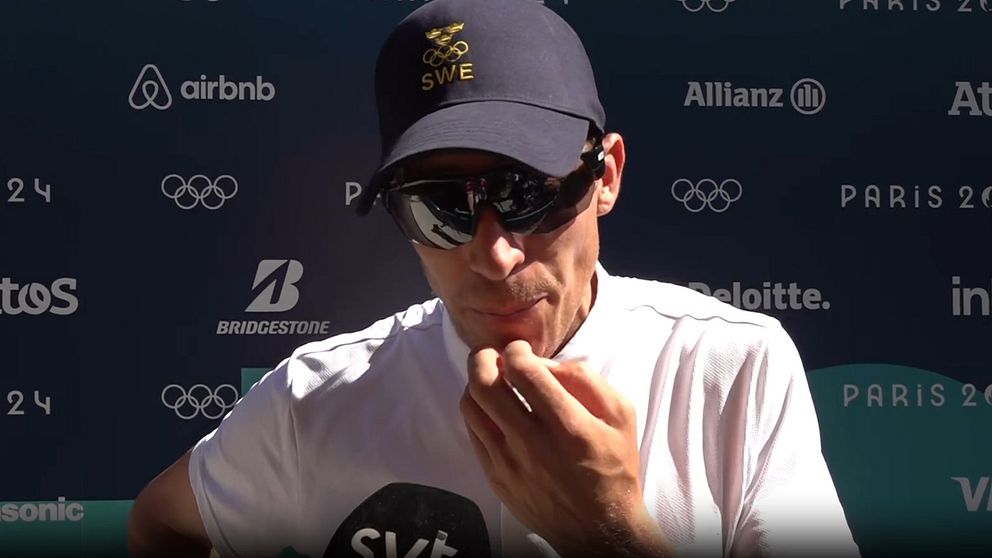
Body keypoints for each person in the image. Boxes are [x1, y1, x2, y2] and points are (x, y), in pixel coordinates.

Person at [127, 0, 861, 557]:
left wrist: (611, 533)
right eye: (439, 207)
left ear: (605, 175)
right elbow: (162, 523)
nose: (496, 256)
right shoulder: (316, 399)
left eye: (528, 193)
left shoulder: (729, 369)